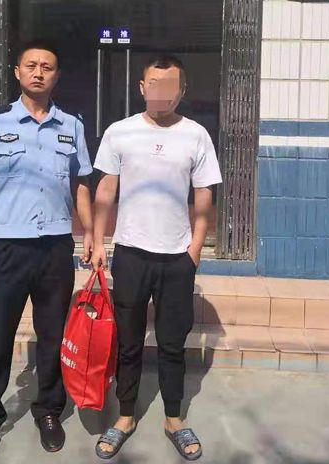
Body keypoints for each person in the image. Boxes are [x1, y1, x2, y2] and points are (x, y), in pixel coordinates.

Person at [0, 40, 94, 463]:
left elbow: (81, 184)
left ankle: (48, 411)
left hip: (54, 248)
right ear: (17, 72)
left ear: (56, 75)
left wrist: (90, 232)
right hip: (8, 248)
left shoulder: (72, 126)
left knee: (52, 335)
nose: (38, 72)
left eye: (47, 66)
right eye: (31, 65)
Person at [91, 55, 222, 461]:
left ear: (182, 91)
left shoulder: (196, 135)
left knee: (172, 343)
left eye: (170, 85)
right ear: (142, 87)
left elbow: (204, 194)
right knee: (128, 341)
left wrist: (195, 249)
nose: (161, 92)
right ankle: (125, 415)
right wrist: (97, 241)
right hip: (130, 253)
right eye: (154, 84)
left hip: (176, 258)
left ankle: (174, 419)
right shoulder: (120, 132)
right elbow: (105, 190)